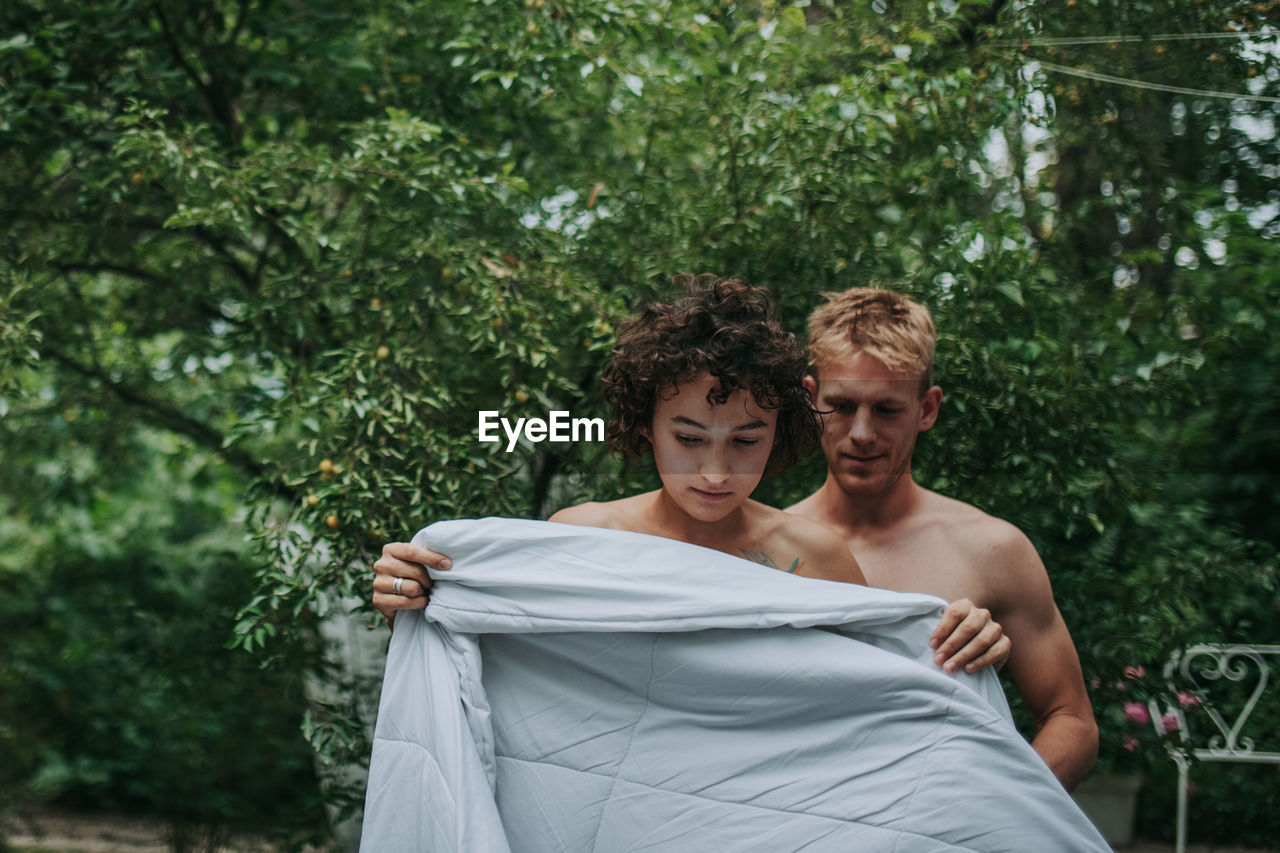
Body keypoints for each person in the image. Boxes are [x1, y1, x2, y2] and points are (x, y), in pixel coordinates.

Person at [374, 277, 1010, 678]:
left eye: (745, 440)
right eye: (687, 438)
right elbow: (503, 668)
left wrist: (969, 652)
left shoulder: (814, 556)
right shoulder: (582, 535)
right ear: (644, 422)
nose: (713, 472)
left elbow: (889, 696)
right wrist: (418, 598)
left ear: (784, 429)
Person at [784, 287, 1097, 788]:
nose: (862, 433)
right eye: (841, 406)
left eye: (886, 410)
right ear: (810, 400)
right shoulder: (762, 550)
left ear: (927, 409)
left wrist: (996, 812)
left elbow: (1072, 720)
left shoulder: (992, 550)